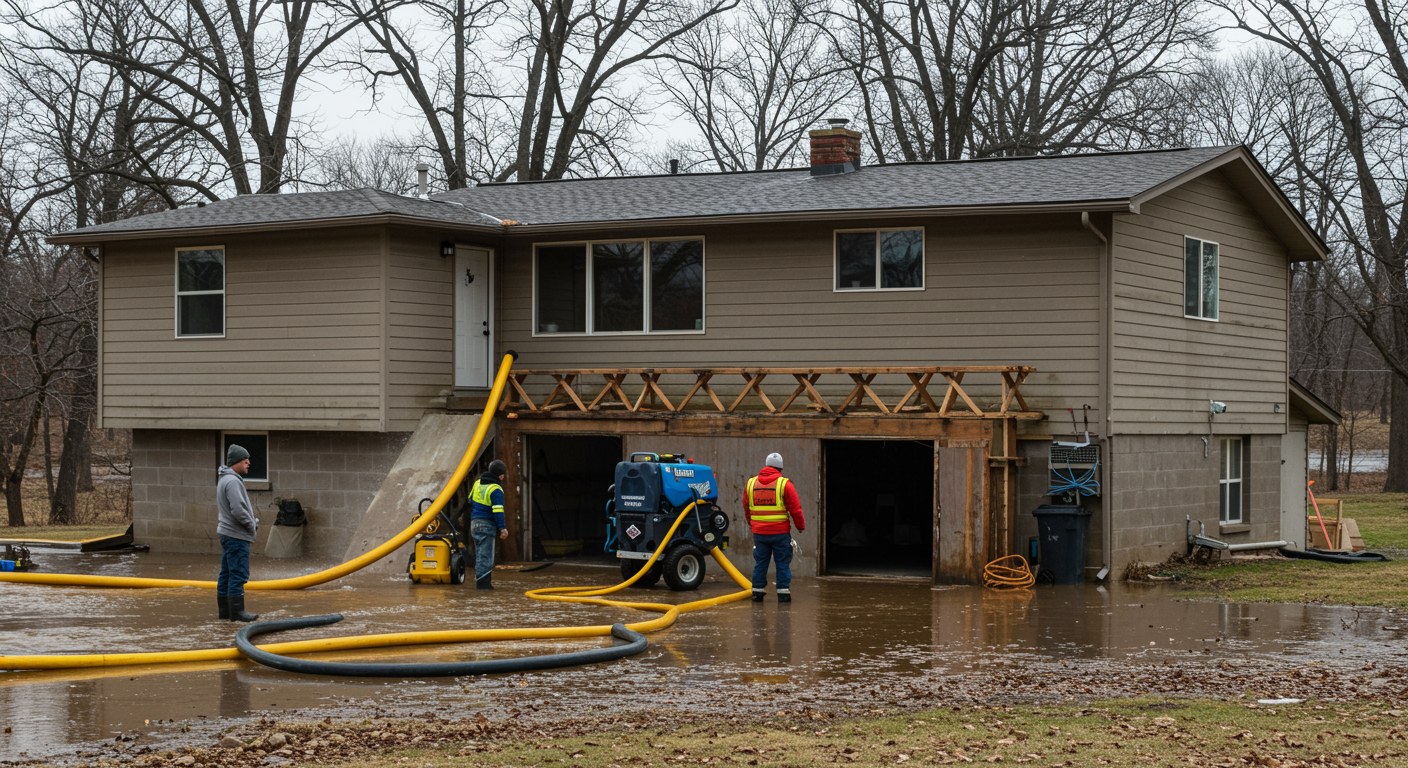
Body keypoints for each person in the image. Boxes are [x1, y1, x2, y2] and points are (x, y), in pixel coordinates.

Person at [744, 452, 806, 603]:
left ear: (766, 465)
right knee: (782, 562)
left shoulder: (751, 483)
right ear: (780, 468)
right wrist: (800, 526)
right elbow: (795, 509)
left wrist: (752, 523)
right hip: (780, 533)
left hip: (759, 533)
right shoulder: (785, 484)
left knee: (760, 562)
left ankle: (757, 592)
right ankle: (783, 594)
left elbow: (746, 507)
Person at [216, 444, 259, 621]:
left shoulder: (224, 479)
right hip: (236, 535)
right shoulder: (233, 481)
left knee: (226, 573)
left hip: (227, 533)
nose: (249, 463)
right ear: (236, 462)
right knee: (238, 574)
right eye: (245, 460)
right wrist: (251, 525)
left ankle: (225, 612)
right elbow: (239, 510)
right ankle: (237, 612)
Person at [468, 459, 510, 589]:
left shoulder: (477, 483)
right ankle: (483, 586)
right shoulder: (496, 489)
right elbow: (498, 511)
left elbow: (470, 500)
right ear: (501, 475)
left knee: (480, 554)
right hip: (486, 525)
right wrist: (502, 528)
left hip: (474, 524)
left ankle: (482, 584)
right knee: (486, 557)